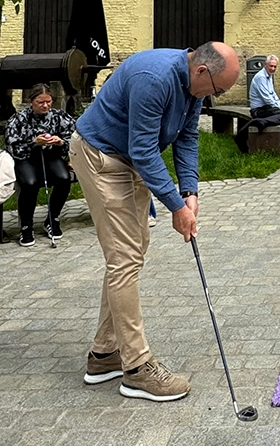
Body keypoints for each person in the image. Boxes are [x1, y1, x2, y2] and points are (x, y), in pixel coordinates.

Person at [69, 41, 240, 403]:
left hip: (129, 159)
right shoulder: (154, 78)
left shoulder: (193, 86)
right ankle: (136, 368)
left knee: (131, 253)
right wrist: (177, 207)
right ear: (202, 71)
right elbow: (145, 149)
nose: (217, 96)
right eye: (219, 90)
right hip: (101, 156)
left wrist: (190, 190)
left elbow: (187, 137)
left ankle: (104, 354)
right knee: (125, 258)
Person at [4, 84, 76, 247]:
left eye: (48, 102)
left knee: (64, 179)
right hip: (26, 158)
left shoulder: (59, 116)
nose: (45, 106)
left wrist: (61, 142)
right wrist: (33, 143)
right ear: (31, 102)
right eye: (40, 102)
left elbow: (74, 137)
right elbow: (11, 146)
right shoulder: (19, 119)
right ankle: (26, 226)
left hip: (51, 156)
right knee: (30, 183)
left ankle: (52, 218)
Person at [248, 54, 280, 153]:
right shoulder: (261, 77)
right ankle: (277, 144)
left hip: (267, 108)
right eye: (271, 66)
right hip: (258, 111)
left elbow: (273, 94)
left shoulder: (268, 76)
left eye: (275, 66)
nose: (273, 68)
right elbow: (267, 98)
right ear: (265, 65)